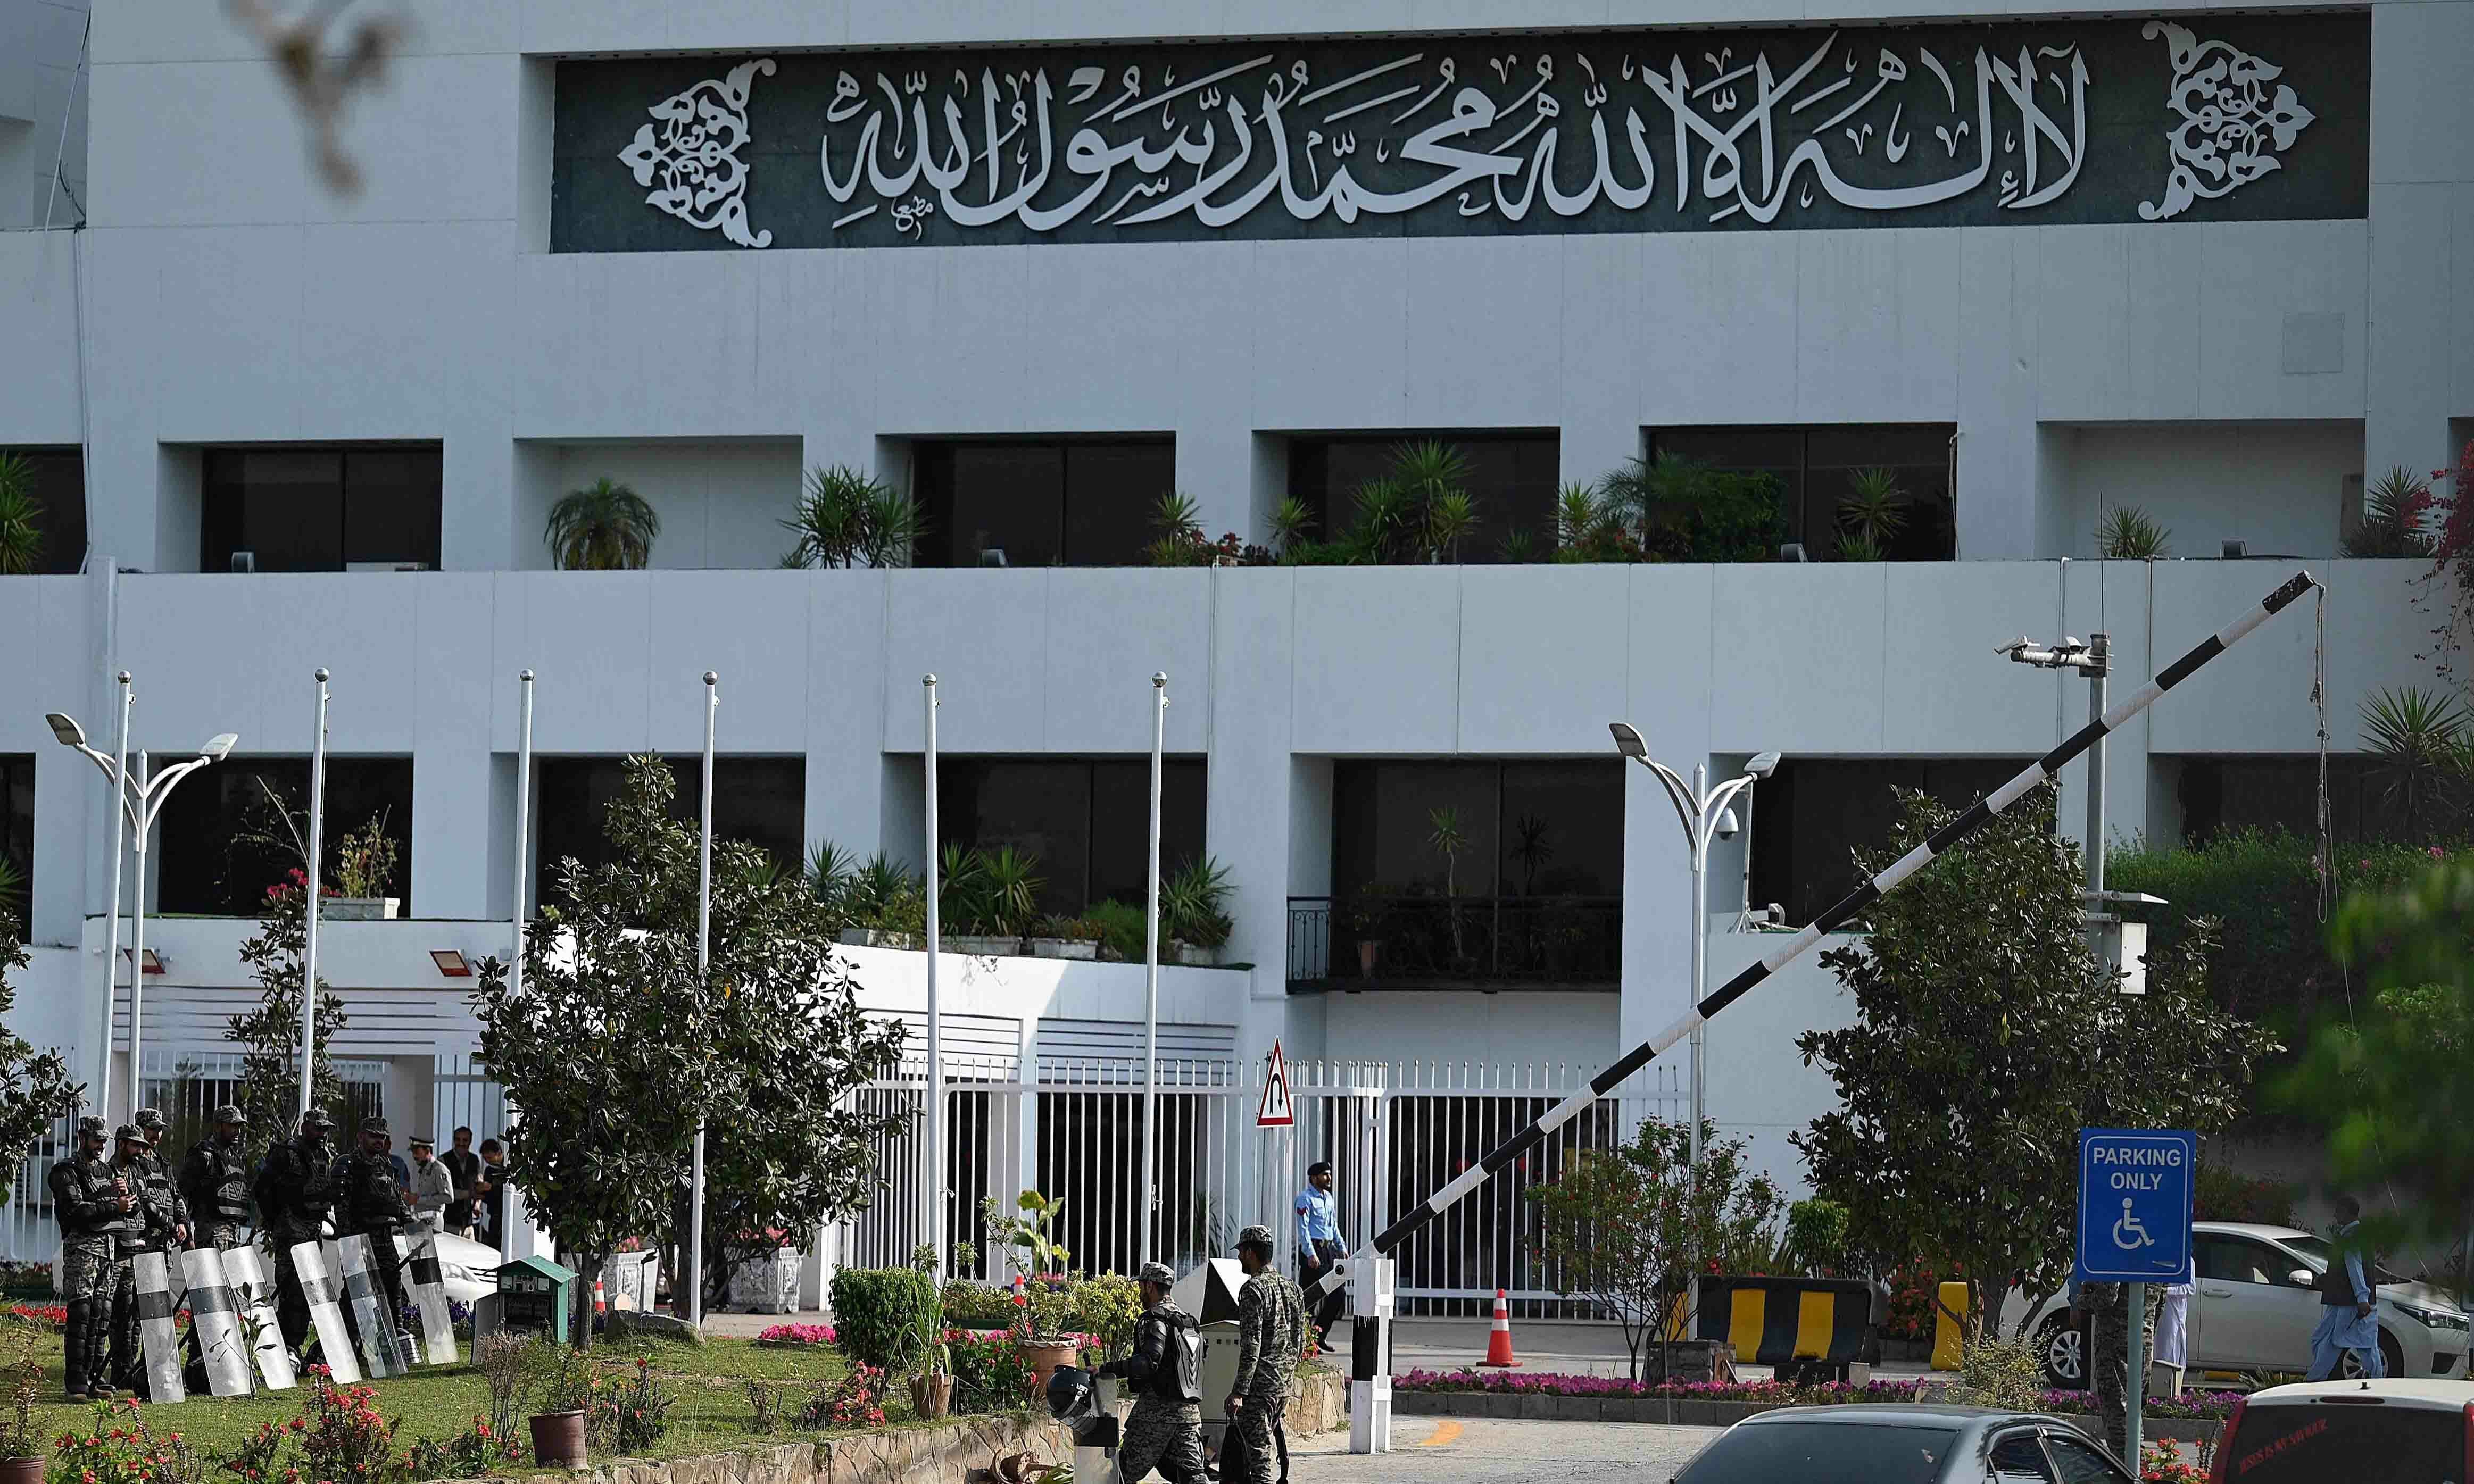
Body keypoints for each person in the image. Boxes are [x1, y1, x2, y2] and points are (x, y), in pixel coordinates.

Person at [1095, 1261, 1208, 1484]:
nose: (1140, 1293)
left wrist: (1107, 1369)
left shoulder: (1154, 1319)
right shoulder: (1189, 1322)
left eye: (1141, 1287)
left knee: (1120, 1475)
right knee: (1194, 1477)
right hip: (1189, 1416)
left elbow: (1148, 1363)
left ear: (1149, 1286)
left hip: (1155, 1417)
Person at [48, 1115, 124, 1400]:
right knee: (80, 1314)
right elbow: (75, 1210)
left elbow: (127, 1207)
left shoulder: (108, 1170)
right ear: (82, 1138)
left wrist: (125, 1202)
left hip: (108, 1251)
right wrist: (113, 1205)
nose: (100, 1146)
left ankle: (94, 1374)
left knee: (101, 1314)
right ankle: (75, 1380)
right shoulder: (65, 1171)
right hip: (82, 1252)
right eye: (96, 1140)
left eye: (104, 1141)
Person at [1222, 1225, 1306, 1484]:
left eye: (1241, 1252)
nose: (1238, 1259)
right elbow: (1299, 1342)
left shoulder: (1253, 1291)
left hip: (1258, 1391)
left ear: (1250, 1253)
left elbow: (1251, 1346)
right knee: (1259, 1456)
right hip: (1282, 1387)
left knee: (1259, 1465)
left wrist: (1238, 1392)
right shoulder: (1293, 1289)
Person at [254, 1108, 339, 1354]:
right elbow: (262, 1189)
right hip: (290, 1234)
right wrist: (276, 1222)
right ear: (305, 1128)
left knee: (307, 1293)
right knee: (290, 1292)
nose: (323, 1134)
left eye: (326, 1130)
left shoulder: (323, 1157)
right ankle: (282, 1348)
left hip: (313, 1233)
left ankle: (294, 1347)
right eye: (318, 1128)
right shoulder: (286, 1154)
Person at [330, 1116, 412, 1353]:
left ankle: (394, 1334)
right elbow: (341, 1207)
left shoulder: (385, 1165)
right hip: (359, 1239)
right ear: (361, 1137)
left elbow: (398, 1201)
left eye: (382, 1137)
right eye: (373, 1136)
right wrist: (348, 1239)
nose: (379, 1141)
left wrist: (410, 1222)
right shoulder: (347, 1164)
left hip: (384, 1238)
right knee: (356, 1291)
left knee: (392, 1284)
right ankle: (350, 1340)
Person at [2305, 1195, 2384, 1380]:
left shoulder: (2352, 1237)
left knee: (2344, 1342)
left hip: (2350, 1302)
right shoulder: (2353, 1235)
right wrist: (2328, 1280)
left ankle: (2314, 1380)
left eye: (2338, 1211)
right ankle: (2315, 1379)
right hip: (2341, 1299)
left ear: (2347, 1212)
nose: (2335, 1215)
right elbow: (2347, 1269)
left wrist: (2362, 1297)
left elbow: (2355, 1267)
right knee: (2325, 1339)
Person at [102, 1125, 155, 1394]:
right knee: (120, 1315)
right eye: (135, 1145)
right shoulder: (109, 1172)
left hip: (139, 1248)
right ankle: (120, 1371)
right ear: (122, 1145)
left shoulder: (136, 1172)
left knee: (135, 1313)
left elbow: (143, 1203)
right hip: (119, 1252)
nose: (139, 1151)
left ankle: (130, 1369)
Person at [180, 1105, 252, 1250]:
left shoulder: (237, 1160)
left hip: (234, 1239)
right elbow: (183, 1195)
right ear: (218, 1126)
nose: (238, 1132)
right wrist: (187, 1237)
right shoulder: (203, 1155)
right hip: (209, 1240)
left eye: (239, 1127)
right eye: (232, 1126)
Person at [1294, 1161, 1347, 1345]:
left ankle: (1318, 1337)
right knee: (1310, 1299)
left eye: (1329, 1174)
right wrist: (1310, 1253)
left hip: (1328, 1250)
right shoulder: (1305, 1198)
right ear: (1314, 1177)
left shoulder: (1328, 1198)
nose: (1329, 1178)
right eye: (1325, 1174)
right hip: (1314, 1251)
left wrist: (1342, 1247)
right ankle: (1305, 1342)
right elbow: (1303, 1229)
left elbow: (1333, 1226)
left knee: (1338, 1294)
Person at [406, 1133, 456, 1233]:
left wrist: (419, 1199)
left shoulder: (439, 1169)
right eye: (413, 1152)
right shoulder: (425, 1170)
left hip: (433, 1223)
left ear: (428, 1151)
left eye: (417, 1152)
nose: (414, 1156)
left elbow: (449, 1197)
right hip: (422, 1222)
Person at [441, 1127, 483, 1239]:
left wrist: (477, 1205)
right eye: (458, 1140)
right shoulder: (444, 1160)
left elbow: (479, 1186)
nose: (461, 1143)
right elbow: (444, 1192)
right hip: (450, 1222)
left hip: (469, 1223)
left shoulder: (475, 1160)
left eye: (465, 1140)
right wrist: (469, 1194)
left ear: (470, 1142)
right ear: (454, 1141)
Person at [477, 1138, 507, 1249]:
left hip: (506, 1214)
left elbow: (509, 1191)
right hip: (494, 1215)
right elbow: (489, 1197)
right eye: (485, 1159)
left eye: (489, 1158)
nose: (488, 1161)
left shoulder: (509, 1168)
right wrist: (481, 1194)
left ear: (499, 1154)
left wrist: (492, 1188)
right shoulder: (489, 1171)